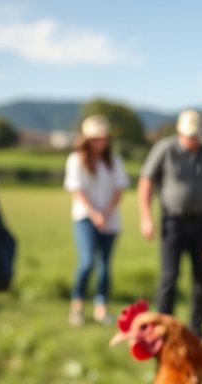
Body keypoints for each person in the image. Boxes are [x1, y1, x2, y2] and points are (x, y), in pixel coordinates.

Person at [137, 109, 202, 338]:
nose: (193, 141)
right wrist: (146, 217)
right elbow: (146, 182)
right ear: (179, 132)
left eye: (197, 136)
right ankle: (162, 327)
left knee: (200, 276)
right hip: (172, 222)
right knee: (169, 277)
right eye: (189, 136)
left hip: (200, 223)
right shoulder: (164, 150)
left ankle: (197, 329)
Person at [64, 114, 130, 326]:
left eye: (102, 138)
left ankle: (101, 308)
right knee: (86, 262)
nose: (100, 142)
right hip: (84, 218)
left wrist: (106, 213)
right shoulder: (76, 160)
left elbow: (120, 189)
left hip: (110, 220)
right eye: (95, 138)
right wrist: (95, 213)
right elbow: (77, 190)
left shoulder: (114, 161)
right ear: (86, 139)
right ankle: (77, 305)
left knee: (104, 266)